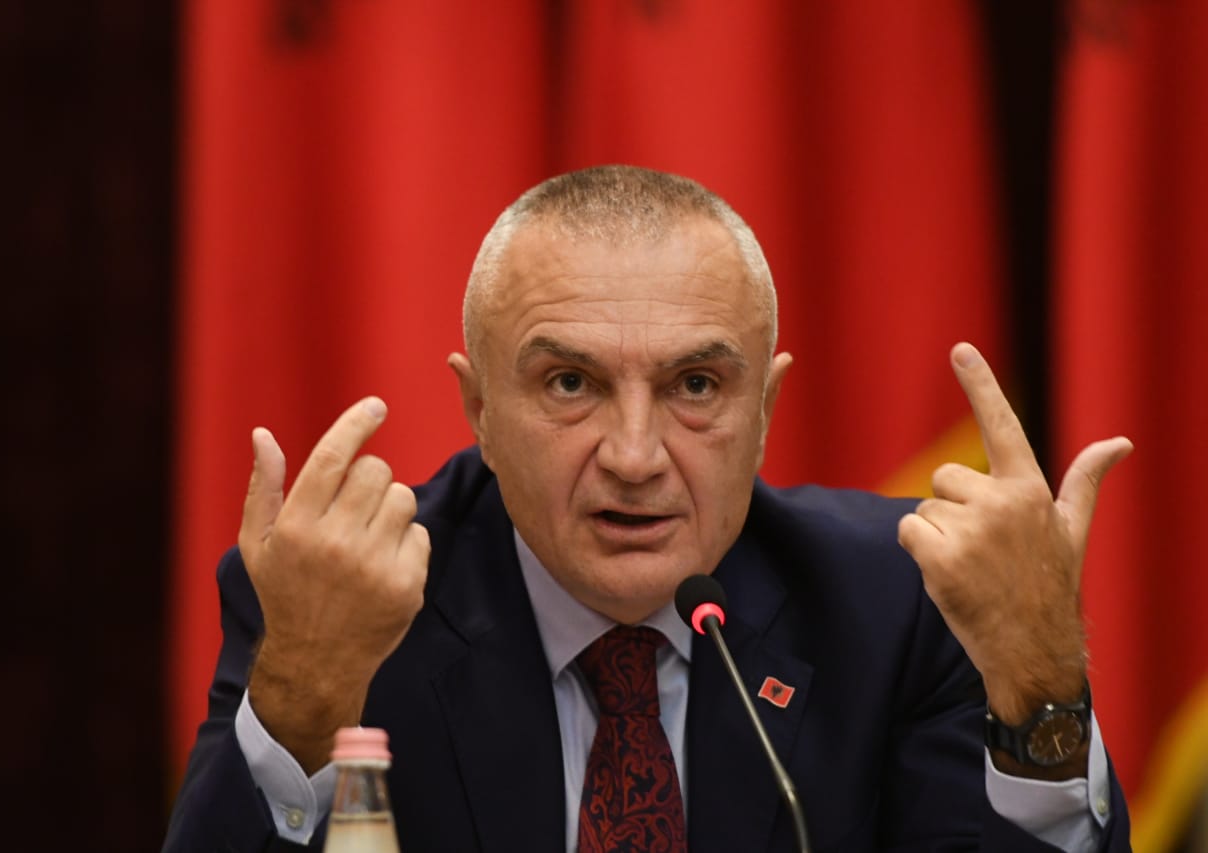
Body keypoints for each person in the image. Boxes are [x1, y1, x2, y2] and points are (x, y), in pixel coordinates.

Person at [163, 165, 1133, 852]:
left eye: (696, 386)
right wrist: (302, 691)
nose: (633, 457)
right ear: (479, 410)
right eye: (570, 382)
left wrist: (1038, 688)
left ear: (764, 411)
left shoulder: (899, 605)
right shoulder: (347, 604)